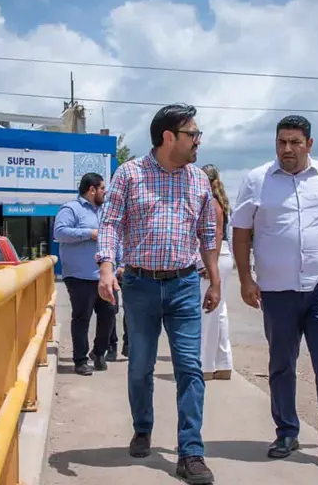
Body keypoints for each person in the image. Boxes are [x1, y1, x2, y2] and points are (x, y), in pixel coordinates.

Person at [231, 115, 318, 469]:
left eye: (295, 142)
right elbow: (241, 232)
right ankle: (286, 433)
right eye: (282, 142)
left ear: (309, 144)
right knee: (281, 364)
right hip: (277, 291)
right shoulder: (257, 180)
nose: (287, 149)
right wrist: (246, 279)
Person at [97, 103, 221, 485]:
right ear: (169, 137)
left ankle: (191, 452)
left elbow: (208, 234)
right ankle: (143, 427)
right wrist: (106, 268)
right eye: (192, 134)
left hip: (184, 285)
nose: (198, 141)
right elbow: (110, 223)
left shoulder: (199, 180)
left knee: (190, 368)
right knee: (140, 366)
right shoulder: (129, 174)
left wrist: (215, 280)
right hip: (140, 285)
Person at [54, 172, 117, 376]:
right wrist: (89, 233)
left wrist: (118, 266)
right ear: (91, 190)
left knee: (109, 314)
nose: (105, 192)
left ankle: (98, 353)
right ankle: (80, 360)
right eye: (102, 188)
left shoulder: (105, 212)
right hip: (79, 276)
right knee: (82, 317)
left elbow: (114, 238)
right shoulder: (71, 209)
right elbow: (59, 233)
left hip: (103, 275)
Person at [199, 164, 234, 380]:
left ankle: (205, 365)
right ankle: (223, 363)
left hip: (215, 256)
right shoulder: (219, 201)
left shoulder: (211, 203)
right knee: (219, 311)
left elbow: (217, 234)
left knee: (207, 311)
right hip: (222, 256)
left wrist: (210, 263)